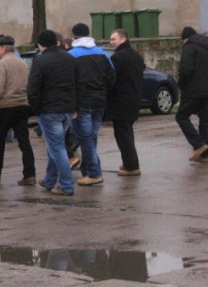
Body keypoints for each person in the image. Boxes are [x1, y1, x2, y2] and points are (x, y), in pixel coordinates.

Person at [27, 30, 77, 195]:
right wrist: (75, 106)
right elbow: (78, 83)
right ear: (56, 42)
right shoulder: (70, 58)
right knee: (55, 146)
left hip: (49, 110)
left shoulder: (40, 62)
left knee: (57, 148)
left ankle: (66, 185)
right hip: (67, 110)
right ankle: (49, 180)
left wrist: (36, 109)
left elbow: (33, 89)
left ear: (40, 45)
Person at [0, 35, 36, 185]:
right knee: (24, 141)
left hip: (5, 107)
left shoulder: (2, 64)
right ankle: (29, 174)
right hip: (22, 105)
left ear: (3, 48)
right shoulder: (23, 64)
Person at [69, 22, 115, 186]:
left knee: (85, 138)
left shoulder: (72, 55)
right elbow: (111, 77)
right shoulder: (101, 53)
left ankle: (94, 173)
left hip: (82, 103)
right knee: (91, 137)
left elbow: (69, 81)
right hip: (100, 101)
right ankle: (88, 171)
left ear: (74, 36)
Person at [107, 29, 145, 175]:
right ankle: (130, 161)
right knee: (128, 133)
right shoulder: (136, 56)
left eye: (113, 39)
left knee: (123, 135)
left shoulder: (117, 58)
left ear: (123, 39)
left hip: (120, 101)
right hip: (134, 99)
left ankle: (131, 167)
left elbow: (112, 80)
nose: (111, 42)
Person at [176, 26, 208, 162]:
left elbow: (186, 69)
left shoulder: (189, 47)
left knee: (181, 116)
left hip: (193, 90)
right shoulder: (206, 45)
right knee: (205, 121)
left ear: (185, 38)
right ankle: (205, 154)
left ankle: (198, 144)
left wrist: (181, 84)